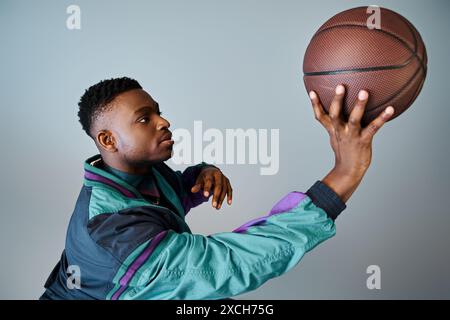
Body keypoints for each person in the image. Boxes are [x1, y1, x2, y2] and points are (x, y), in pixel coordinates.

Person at [40, 77, 394, 300]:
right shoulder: (110, 229)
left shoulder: (139, 172)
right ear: (107, 139)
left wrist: (200, 175)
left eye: (159, 112)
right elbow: (227, 265)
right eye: (145, 118)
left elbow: (165, 196)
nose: (164, 121)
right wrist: (344, 175)